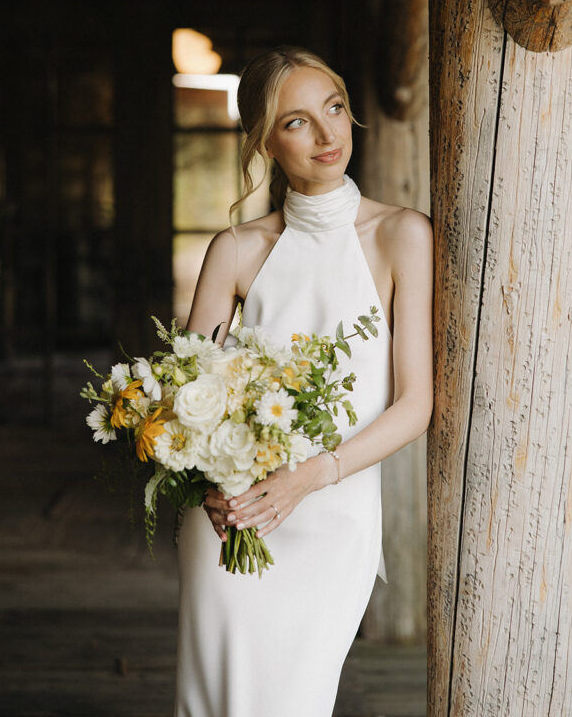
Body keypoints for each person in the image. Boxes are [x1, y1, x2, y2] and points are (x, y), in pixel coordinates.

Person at [174, 45, 433, 717]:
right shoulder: (234, 250)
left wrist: (309, 475)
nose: (327, 135)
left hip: (331, 516)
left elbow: (415, 404)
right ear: (263, 141)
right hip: (233, 520)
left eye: (335, 109)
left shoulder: (400, 236)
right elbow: (186, 397)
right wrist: (212, 488)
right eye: (296, 122)